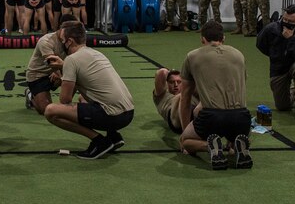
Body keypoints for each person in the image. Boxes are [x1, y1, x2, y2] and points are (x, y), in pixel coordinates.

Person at [43, 21, 134, 159]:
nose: (61, 44)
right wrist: (65, 67)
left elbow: (65, 99)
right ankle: (113, 136)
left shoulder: (71, 60)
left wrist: (63, 71)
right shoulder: (96, 53)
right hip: (128, 113)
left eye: (62, 40)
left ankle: (99, 141)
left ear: (69, 42)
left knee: (51, 111)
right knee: (83, 98)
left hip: (113, 116)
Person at [178, 20, 252, 170]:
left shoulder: (192, 56)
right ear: (223, 38)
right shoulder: (238, 54)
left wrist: (185, 131)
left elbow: (185, 97)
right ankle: (235, 145)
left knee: (185, 141)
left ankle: (210, 146)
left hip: (212, 117)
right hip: (242, 117)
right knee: (236, 133)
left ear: (202, 39)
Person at [256, 5, 295, 120]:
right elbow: (260, 44)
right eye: (285, 19)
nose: (286, 23)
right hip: (278, 67)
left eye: (290, 21)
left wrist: (290, 39)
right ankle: (293, 91)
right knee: (282, 106)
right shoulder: (271, 28)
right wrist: (275, 55)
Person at [23, 20, 75, 115]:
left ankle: (66, 104)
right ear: (61, 28)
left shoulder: (70, 40)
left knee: (76, 76)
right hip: (37, 75)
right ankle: (30, 95)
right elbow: (52, 63)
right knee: (46, 110)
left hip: (56, 71)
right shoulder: (46, 41)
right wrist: (60, 74)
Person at [153, 67, 197, 134]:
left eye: (179, 82)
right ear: (166, 83)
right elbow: (162, 72)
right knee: (180, 97)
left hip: (194, 114)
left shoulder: (189, 93)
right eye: (171, 82)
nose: (176, 85)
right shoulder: (162, 95)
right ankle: (187, 134)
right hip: (175, 119)